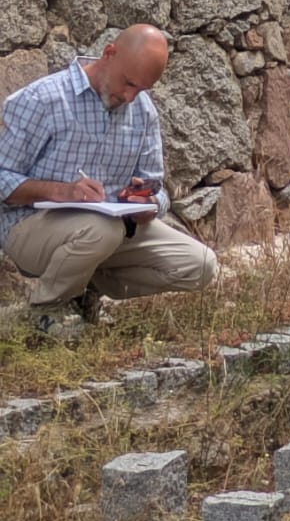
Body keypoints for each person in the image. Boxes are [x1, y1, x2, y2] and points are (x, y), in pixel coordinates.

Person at [0, 25, 219, 340]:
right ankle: (45, 309)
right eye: (128, 83)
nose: (130, 96)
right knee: (102, 229)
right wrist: (61, 191)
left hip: (109, 231)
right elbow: (2, 177)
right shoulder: (42, 99)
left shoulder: (142, 111)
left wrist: (148, 204)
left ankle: (84, 291)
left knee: (201, 264)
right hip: (29, 226)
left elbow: (156, 189)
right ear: (109, 54)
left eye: (141, 89)